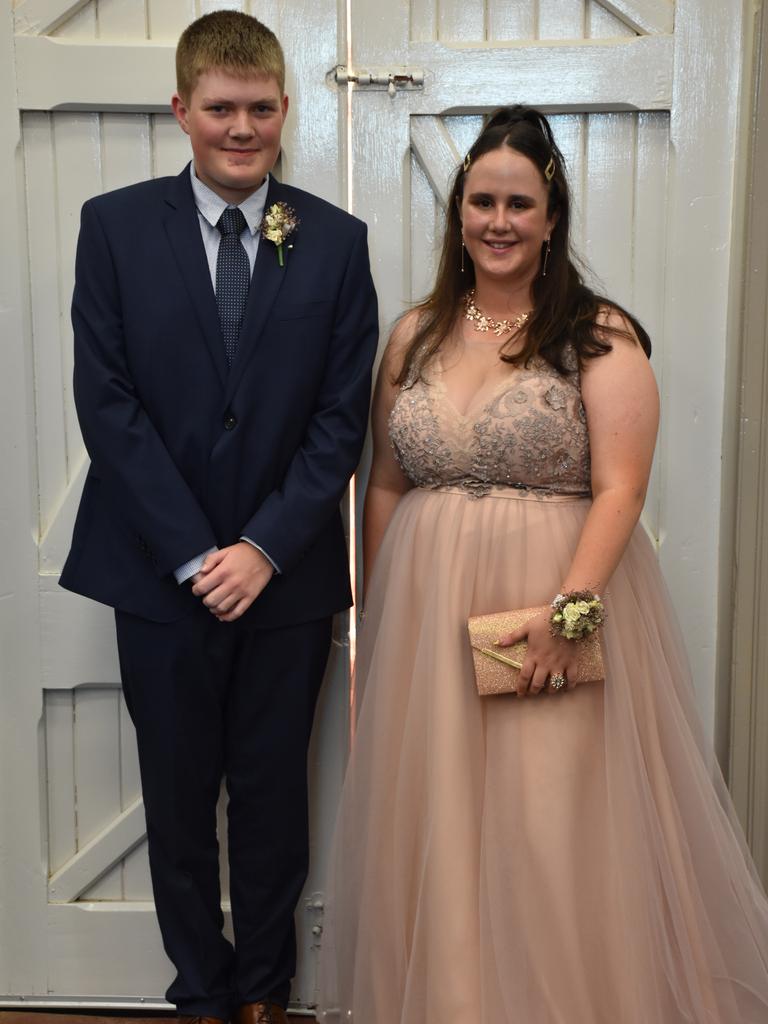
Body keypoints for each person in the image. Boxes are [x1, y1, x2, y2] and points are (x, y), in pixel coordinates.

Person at [316, 107, 768, 1023]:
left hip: (549, 610)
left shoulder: (599, 336)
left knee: (545, 828)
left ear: (552, 215)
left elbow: (620, 491)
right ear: (458, 213)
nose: (499, 220)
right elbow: (389, 485)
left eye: (520, 202)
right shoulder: (413, 337)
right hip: (427, 624)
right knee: (438, 826)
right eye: (481, 200)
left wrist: (569, 621)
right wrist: (374, 619)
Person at [59, 11, 377, 1024]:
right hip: (158, 574)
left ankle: (264, 993)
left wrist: (264, 548)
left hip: (286, 581)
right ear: (181, 110)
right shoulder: (112, 227)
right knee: (181, 796)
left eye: (260, 109)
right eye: (219, 109)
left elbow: (341, 416)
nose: (241, 128)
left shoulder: (335, 241)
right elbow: (107, 405)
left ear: (285, 109)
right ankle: (200, 993)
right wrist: (199, 552)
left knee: (276, 798)